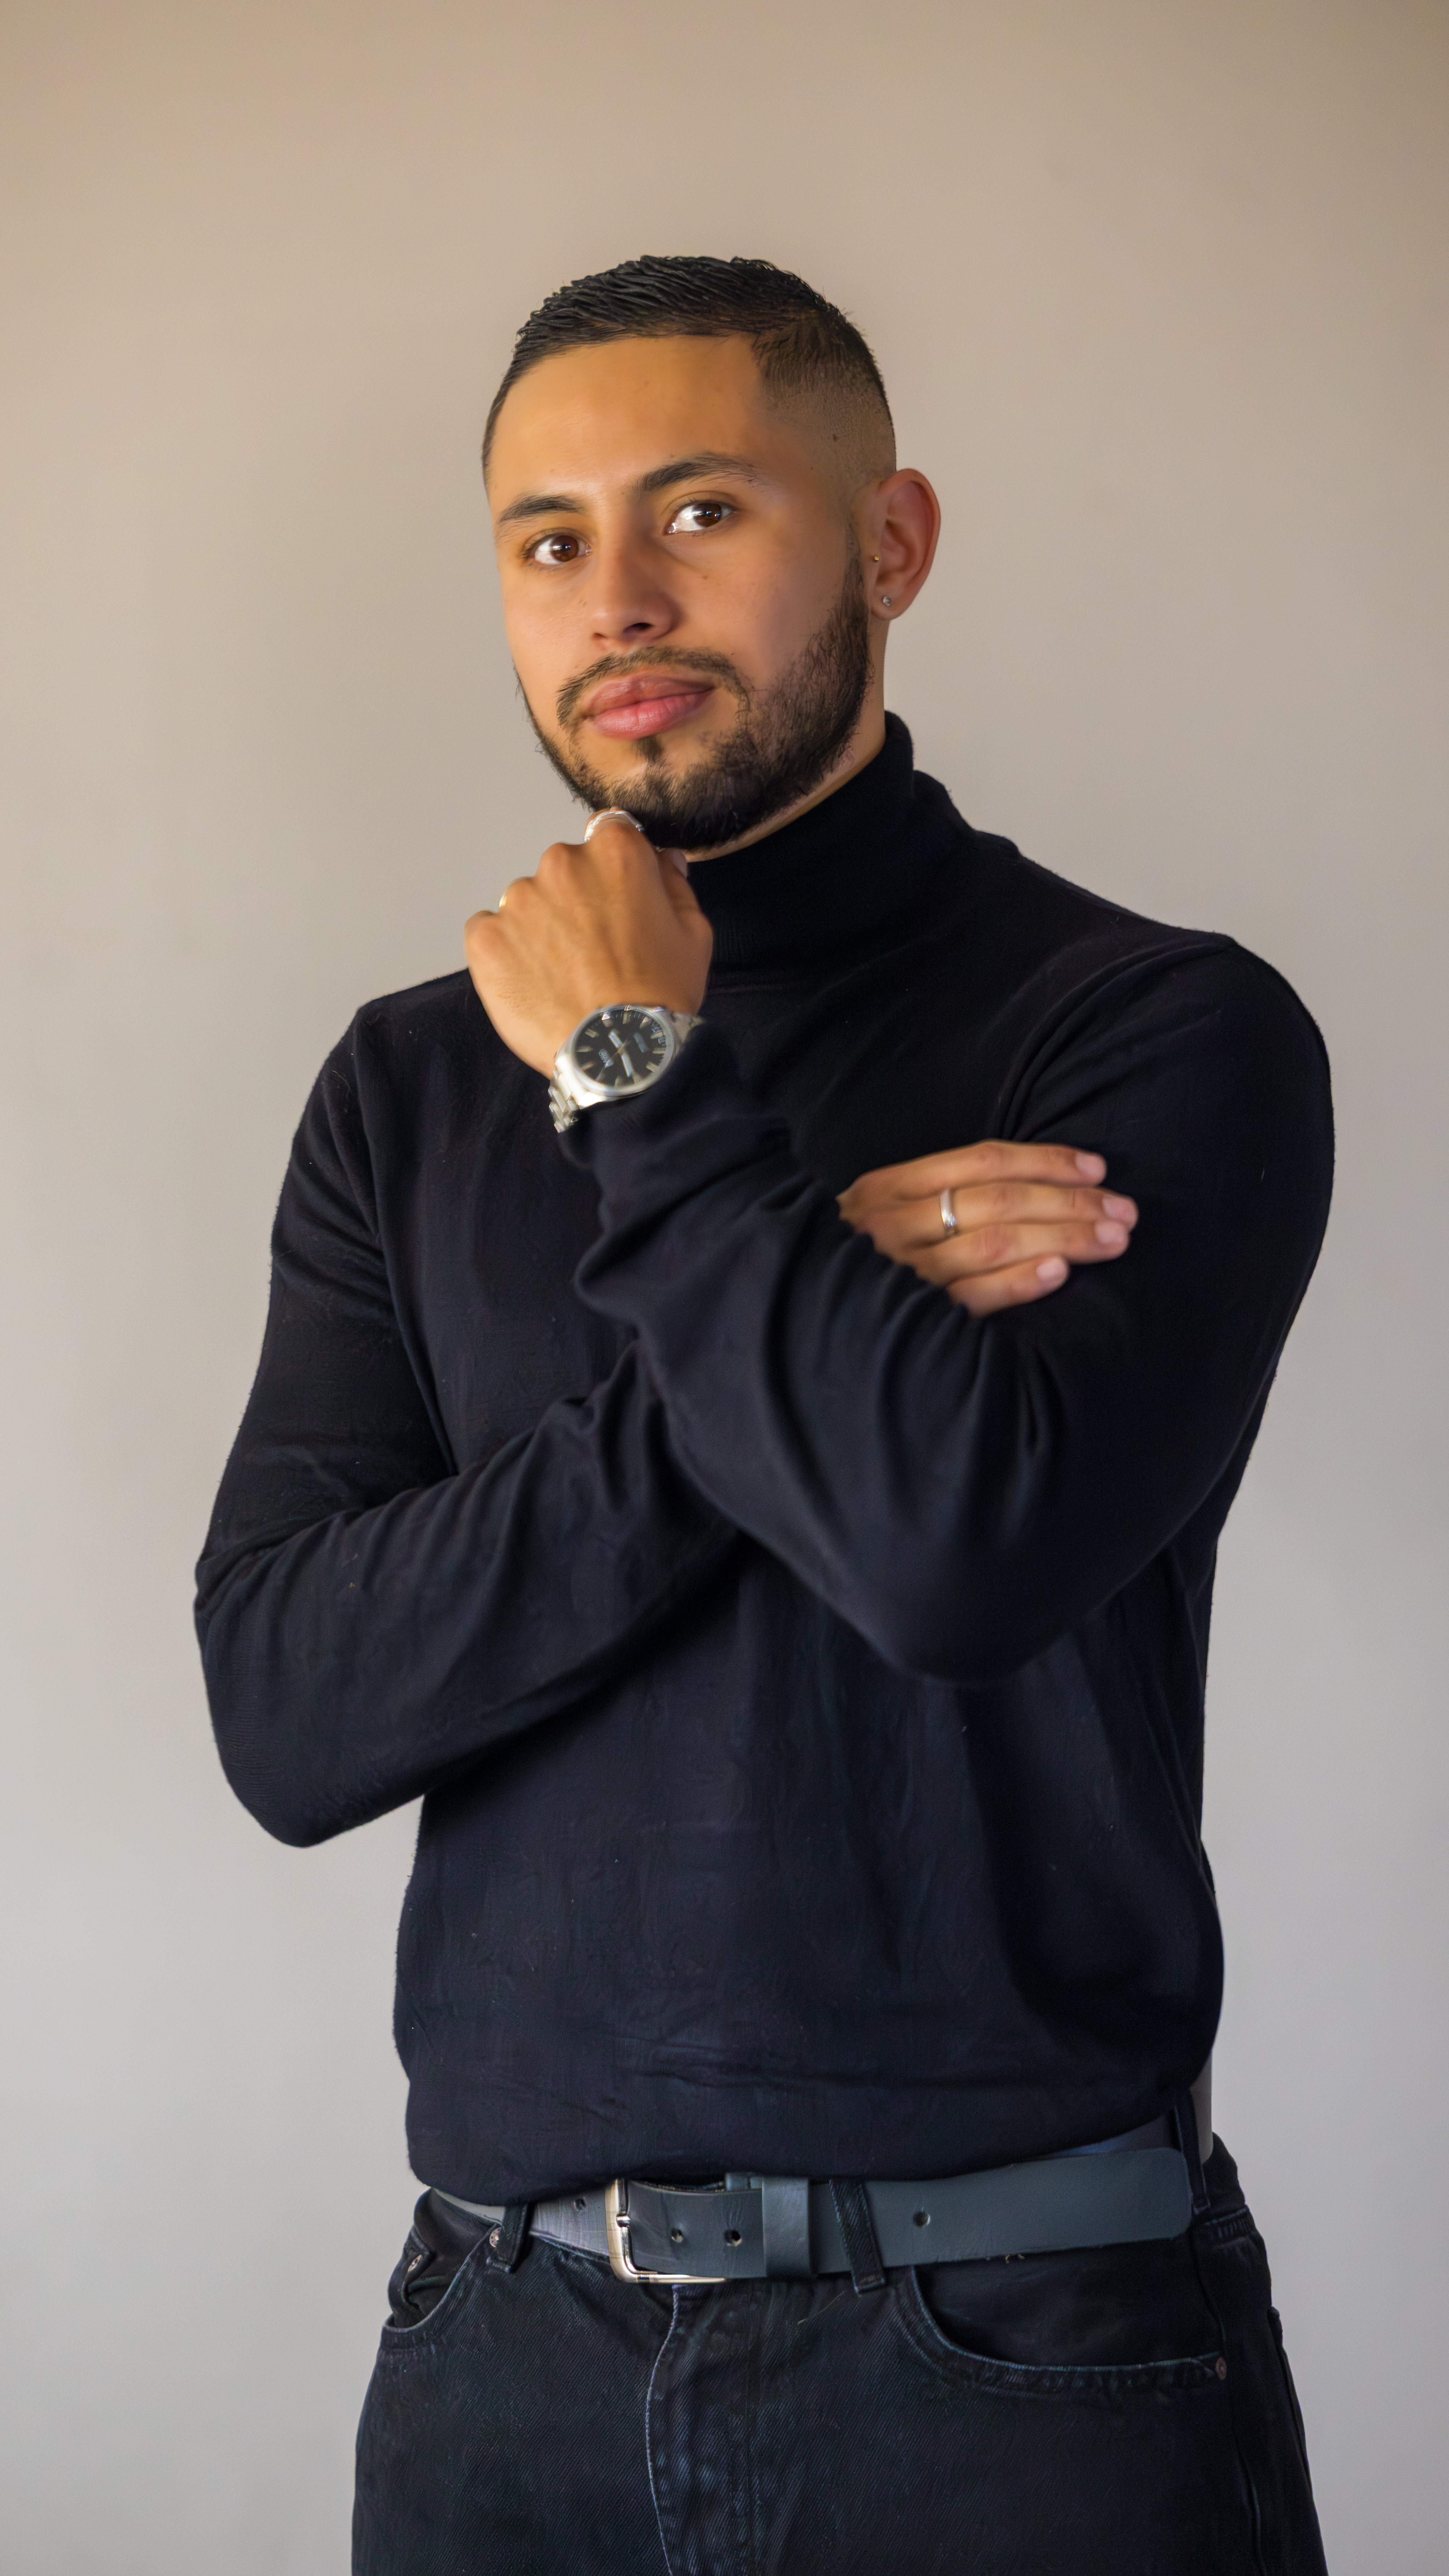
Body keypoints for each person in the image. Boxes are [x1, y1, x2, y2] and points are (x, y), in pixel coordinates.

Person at [196, 255, 1333, 2573]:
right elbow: (294, 1711)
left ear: (892, 543)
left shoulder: (1152, 1030)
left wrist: (637, 1085)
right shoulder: (409, 1086)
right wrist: (813, 1303)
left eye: (701, 511)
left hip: (1017, 2361)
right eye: (549, 540)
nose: (618, 597)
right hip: (501, 2364)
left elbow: (953, 1553)